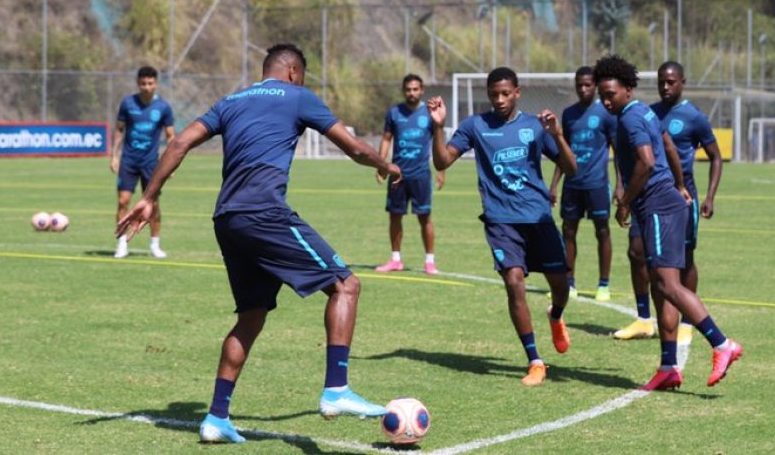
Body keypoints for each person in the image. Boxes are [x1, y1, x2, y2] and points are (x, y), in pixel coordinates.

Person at [116, 44, 402, 443]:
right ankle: (336, 389)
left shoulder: (231, 100)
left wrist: (149, 197)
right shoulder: (298, 95)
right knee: (345, 285)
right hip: (263, 213)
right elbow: (352, 147)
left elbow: (179, 143)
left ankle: (216, 418)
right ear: (292, 73)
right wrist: (385, 164)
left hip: (227, 219)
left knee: (251, 316)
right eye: (301, 75)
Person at [592, 55, 742, 390]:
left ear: (627, 90)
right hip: (663, 202)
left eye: (610, 94)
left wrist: (625, 203)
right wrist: (678, 184)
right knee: (661, 286)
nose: (605, 100)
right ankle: (668, 366)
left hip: (658, 206)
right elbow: (669, 146)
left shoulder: (630, 119)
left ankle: (722, 344)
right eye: (602, 94)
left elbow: (645, 163)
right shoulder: (645, 110)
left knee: (671, 285)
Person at [427, 67, 578, 387]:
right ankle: (535, 360)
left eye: (505, 93)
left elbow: (571, 168)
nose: (499, 99)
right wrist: (437, 127)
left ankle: (555, 314)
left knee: (560, 284)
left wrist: (558, 135)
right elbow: (442, 162)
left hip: (538, 218)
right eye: (494, 94)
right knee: (513, 280)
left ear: (517, 92)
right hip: (500, 220)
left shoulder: (535, 126)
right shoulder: (475, 126)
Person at [635, 61, 725, 375]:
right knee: (646, 258)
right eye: (661, 82)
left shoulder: (694, 117)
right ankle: (655, 324)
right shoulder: (649, 113)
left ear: (683, 82)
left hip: (682, 199)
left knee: (684, 259)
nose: (665, 87)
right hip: (651, 198)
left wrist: (710, 196)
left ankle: (688, 321)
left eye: (671, 82)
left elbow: (715, 157)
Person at [548, 66, 617, 302]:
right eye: (579, 85)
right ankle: (569, 282)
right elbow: (563, 152)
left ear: (595, 86)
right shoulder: (568, 114)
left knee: (603, 231)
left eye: (588, 85)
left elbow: (616, 150)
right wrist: (554, 184)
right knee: (568, 231)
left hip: (597, 184)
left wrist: (620, 185)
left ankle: (604, 284)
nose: (583, 89)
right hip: (572, 185)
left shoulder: (607, 113)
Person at [374, 74, 445, 274]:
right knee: (395, 216)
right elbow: (386, 139)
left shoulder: (430, 113)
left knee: (425, 217)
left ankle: (429, 261)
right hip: (398, 175)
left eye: (415, 89)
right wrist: (381, 164)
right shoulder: (394, 113)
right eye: (408, 89)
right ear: (404, 91)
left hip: (421, 174)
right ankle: (396, 259)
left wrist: (441, 170)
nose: (411, 93)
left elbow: (439, 141)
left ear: (422, 90)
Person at [111, 66, 175, 259]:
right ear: (138, 83)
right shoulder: (127, 104)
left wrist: (170, 163)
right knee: (123, 202)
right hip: (129, 161)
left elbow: (171, 136)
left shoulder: (163, 107)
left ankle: (155, 244)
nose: (147, 87)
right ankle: (121, 244)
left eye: (150, 83)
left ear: (155, 83)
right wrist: (114, 156)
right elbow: (119, 130)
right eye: (143, 83)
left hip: (151, 163)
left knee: (153, 205)